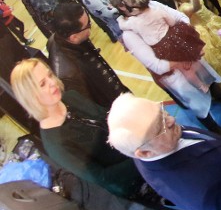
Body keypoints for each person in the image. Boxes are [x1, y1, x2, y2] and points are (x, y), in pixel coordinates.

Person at [10, 59, 144, 198]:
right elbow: (106, 180)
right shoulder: (56, 143)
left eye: (50, 75)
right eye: (42, 84)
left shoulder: (70, 97)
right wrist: (140, 156)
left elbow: (109, 117)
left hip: (137, 149)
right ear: (31, 97)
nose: (52, 83)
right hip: (134, 180)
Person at [48, 3, 129, 109]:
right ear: (74, 37)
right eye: (88, 25)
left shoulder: (65, 37)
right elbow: (90, 109)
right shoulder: (69, 75)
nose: (90, 27)